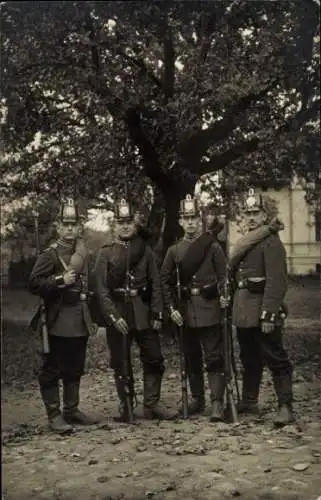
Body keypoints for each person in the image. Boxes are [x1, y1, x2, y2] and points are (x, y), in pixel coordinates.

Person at [94, 198, 172, 422]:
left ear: (134, 225)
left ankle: (151, 404)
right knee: (120, 361)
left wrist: (157, 313)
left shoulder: (145, 251)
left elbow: (155, 283)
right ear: (114, 226)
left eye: (129, 222)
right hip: (118, 311)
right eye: (120, 222)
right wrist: (112, 316)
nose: (125, 226)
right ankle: (126, 403)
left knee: (154, 357)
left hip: (143, 312)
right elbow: (100, 290)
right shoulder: (105, 253)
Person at [29, 198, 98, 434]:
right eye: (65, 224)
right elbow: (34, 283)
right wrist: (60, 280)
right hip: (58, 319)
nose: (70, 228)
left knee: (75, 365)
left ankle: (72, 409)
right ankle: (54, 415)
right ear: (58, 226)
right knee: (52, 368)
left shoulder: (83, 252)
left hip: (79, 317)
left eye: (74, 224)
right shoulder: (50, 254)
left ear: (79, 227)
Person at [160, 195, 229, 422]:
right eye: (186, 218)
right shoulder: (174, 251)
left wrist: (224, 296)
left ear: (200, 221)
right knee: (191, 357)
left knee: (214, 356)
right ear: (180, 221)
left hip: (209, 308)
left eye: (194, 219)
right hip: (186, 311)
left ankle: (217, 402)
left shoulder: (213, 247)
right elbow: (164, 282)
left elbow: (224, 277)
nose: (190, 223)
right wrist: (172, 309)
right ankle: (197, 399)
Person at [230, 188, 295, 427]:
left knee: (275, 357)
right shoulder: (245, 243)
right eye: (247, 213)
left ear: (264, 215)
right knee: (249, 358)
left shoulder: (271, 243)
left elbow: (277, 282)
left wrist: (268, 314)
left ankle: (285, 406)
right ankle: (249, 401)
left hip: (263, 312)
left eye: (256, 213)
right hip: (245, 311)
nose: (251, 217)